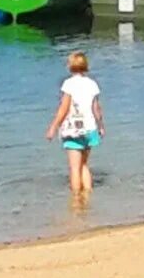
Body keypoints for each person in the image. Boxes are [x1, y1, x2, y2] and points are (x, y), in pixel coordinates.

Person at [44, 51, 104, 194]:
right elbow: (96, 108)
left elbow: (64, 108)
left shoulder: (68, 84)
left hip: (73, 130)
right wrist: (101, 126)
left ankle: (76, 199)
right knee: (84, 165)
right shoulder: (92, 84)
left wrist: (53, 127)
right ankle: (88, 195)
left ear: (70, 66)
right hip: (90, 129)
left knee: (74, 168)